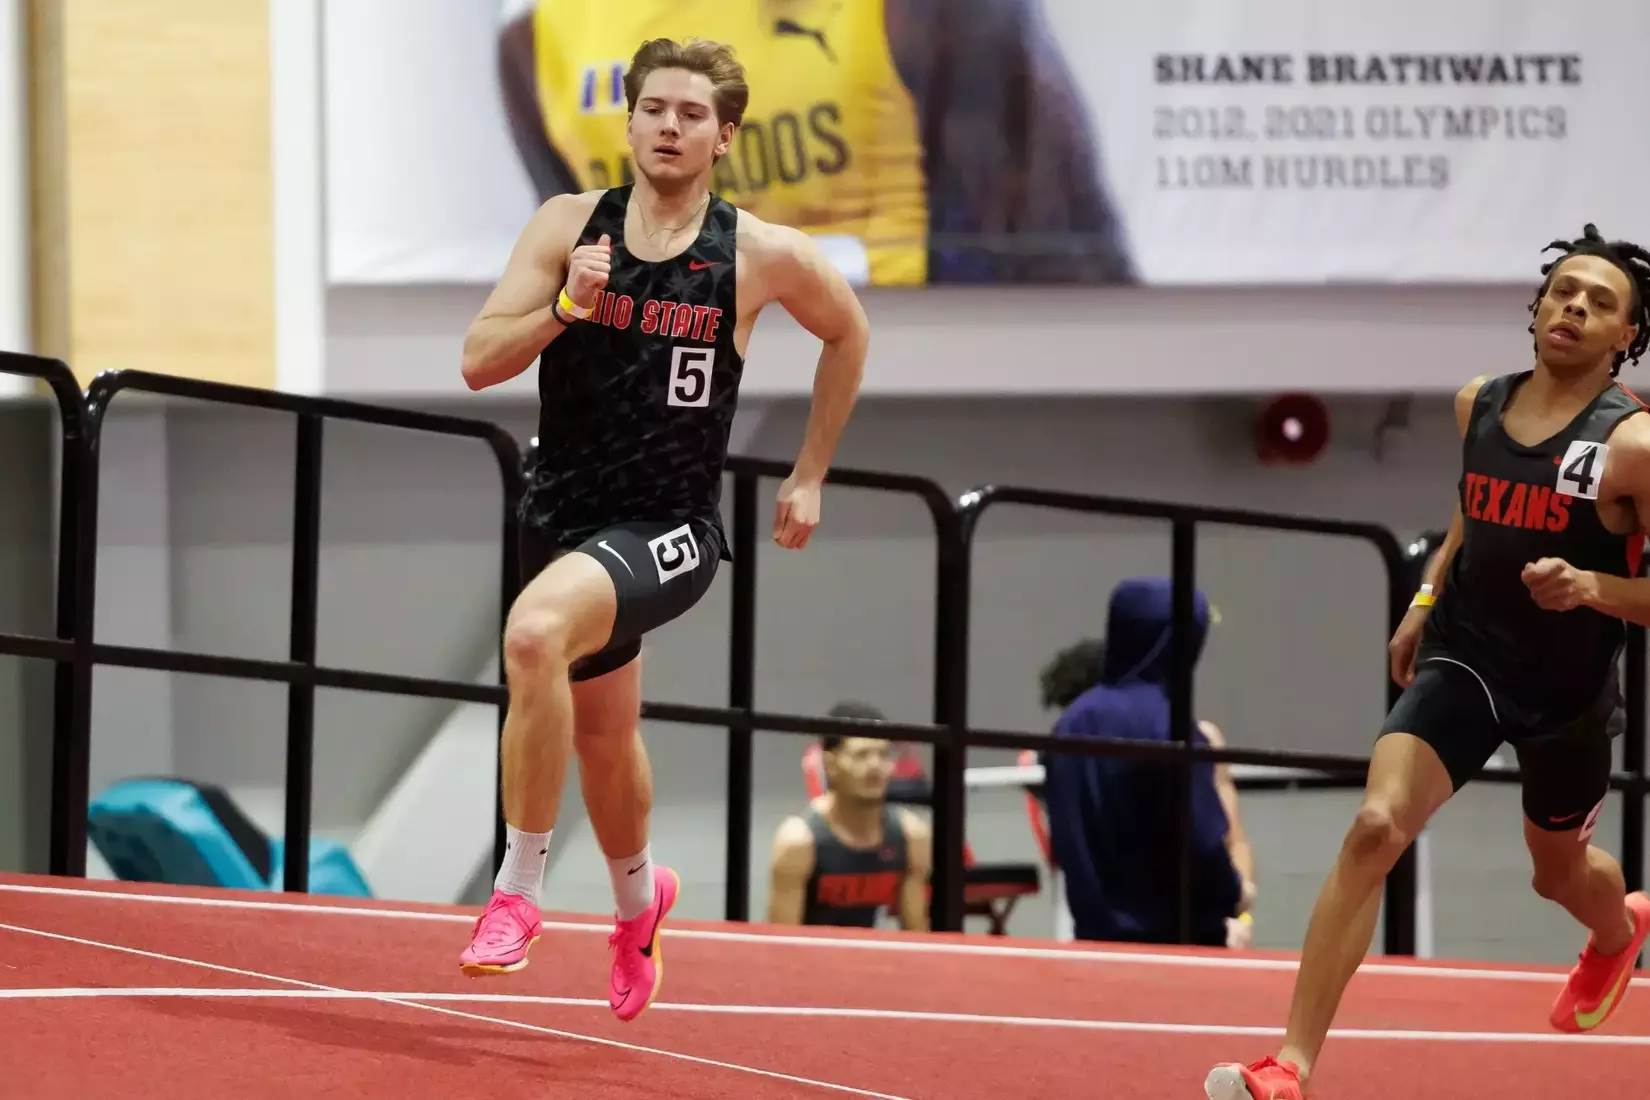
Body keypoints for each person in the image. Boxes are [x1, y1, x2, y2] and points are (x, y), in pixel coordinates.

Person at [455, 36, 870, 1024]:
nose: (669, 127)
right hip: (558, 512)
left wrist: (810, 472)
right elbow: (478, 360)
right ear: (630, 120)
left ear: (724, 136)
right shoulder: (568, 226)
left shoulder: (756, 254)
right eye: (654, 110)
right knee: (601, 734)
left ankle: (516, 888)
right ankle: (641, 909)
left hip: (668, 527)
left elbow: (848, 331)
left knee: (530, 635)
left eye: (691, 114)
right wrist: (567, 306)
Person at [1206, 224, 1650, 1100]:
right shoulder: (1476, 404)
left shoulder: (1634, 449)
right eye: (1563, 290)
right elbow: (1470, 514)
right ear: (1535, 308)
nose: (1574, 307)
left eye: (1601, 303)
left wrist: (1593, 586)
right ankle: (1289, 1065)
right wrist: (1422, 599)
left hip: (1566, 694)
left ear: (1627, 339)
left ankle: (1616, 932)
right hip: (1466, 658)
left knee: (1556, 874)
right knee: (1375, 828)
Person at [495, 0, 1134, 287]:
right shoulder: (534, 38)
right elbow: (586, 276)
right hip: (679, 416)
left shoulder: (933, 10)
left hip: (901, 388)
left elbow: (1067, 251)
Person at [1038, 580, 1256, 950]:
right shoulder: (1170, 726)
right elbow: (1203, 844)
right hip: (1179, 943)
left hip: (1093, 939)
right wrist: (1234, 896)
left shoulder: (1070, 722)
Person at [767, 705, 933, 930]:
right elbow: (782, 945)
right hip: (811, 961)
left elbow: (917, 938)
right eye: (861, 755)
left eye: (883, 755)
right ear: (830, 764)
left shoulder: (911, 835)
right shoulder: (798, 842)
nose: (875, 766)